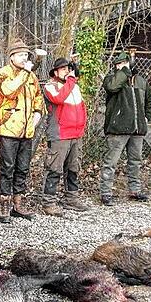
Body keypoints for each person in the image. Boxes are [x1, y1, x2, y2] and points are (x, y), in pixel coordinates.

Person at [0, 39, 44, 223]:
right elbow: (9, 91)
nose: (24, 58)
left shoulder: (31, 76)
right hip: (8, 128)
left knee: (23, 167)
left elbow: (38, 96)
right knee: (7, 167)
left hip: (27, 130)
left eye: (26, 55)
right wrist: (25, 72)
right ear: (12, 57)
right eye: (21, 55)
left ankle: (18, 203)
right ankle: (4, 204)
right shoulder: (3, 73)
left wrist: (37, 115)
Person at [98, 52, 151, 205]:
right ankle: (106, 193)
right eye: (118, 64)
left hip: (137, 129)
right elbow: (112, 87)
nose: (121, 66)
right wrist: (123, 72)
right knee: (111, 162)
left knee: (135, 161)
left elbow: (150, 99)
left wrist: (146, 117)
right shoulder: (112, 79)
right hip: (118, 129)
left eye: (124, 63)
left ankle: (134, 190)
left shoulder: (141, 81)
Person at [41, 57, 89, 216]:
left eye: (68, 69)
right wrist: (70, 81)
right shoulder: (51, 86)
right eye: (63, 69)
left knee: (74, 167)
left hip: (76, 133)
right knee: (54, 168)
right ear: (55, 72)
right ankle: (49, 201)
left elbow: (81, 107)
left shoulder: (74, 86)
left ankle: (71, 198)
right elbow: (59, 98)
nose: (67, 72)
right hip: (60, 133)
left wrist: (82, 126)